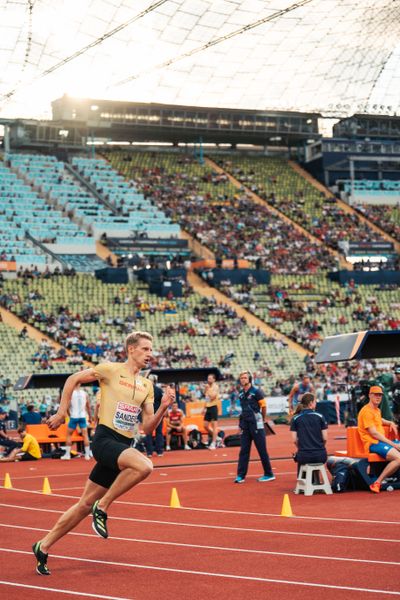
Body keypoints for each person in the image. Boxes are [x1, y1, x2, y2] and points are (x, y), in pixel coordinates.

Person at [31, 331, 175, 576]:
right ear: (131, 349)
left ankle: (42, 546)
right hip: (105, 440)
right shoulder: (110, 370)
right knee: (145, 466)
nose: (150, 354)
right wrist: (62, 411)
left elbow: (148, 427)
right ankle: (104, 506)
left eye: (152, 350)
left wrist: (163, 407)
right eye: (145, 349)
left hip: (123, 445)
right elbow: (73, 379)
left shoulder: (147, 385)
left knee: (84, 504)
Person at [357, 385, 400, 493]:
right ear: (370, 395)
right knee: (399, 458)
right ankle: (378, 482)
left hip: (380, 442)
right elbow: (374, 434)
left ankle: (391, 477)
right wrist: (393, 444)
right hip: (373, 443)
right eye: (376, 395)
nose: (378, 397)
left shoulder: (376, 410)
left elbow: (379, 420)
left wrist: (390, 422)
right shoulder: (366, 411)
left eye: (380, 395)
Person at [234, 371, 275, 483]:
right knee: (244, 450)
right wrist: (240, 425)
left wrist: (262, 418)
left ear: (249, 379)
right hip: (245, 425)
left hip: (257, 425)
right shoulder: (241, 394)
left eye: (245, 378)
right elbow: (243, 411)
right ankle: (240, 475)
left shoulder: (256, 392)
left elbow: (264, 406)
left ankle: (269, 473)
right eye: (241, 378)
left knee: (262, 450)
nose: (242, 379)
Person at [290, 393, 328, 473]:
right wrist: (319, 447)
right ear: (311, 403)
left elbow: (294, 440)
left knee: (301, 458)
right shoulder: (320, 416)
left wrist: (302, 448)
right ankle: (315, 478)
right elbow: (325, 438)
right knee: (315, 459)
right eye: (315, 402)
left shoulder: (295, 418)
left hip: (304, 456)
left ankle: (303, 479)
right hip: (321, 455)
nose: (316, 403)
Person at [61, 383, 92, 461]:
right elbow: (88, 406)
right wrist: (90, 417)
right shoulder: (85, 393)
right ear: (80, 384)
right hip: (82, 416)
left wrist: (69, 414)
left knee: (68, 435)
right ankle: (87, 455)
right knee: (85, 435)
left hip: (74, 416)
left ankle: (67, 455)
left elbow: (67, 406)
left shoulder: (71, 393)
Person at [144, 374, 164, 457]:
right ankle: (159, 451)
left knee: (149, 432)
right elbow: (163, 402)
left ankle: (149, 452)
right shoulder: (159, 390)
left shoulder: (145, 390)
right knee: (158, 432)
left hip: (149, 414)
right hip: (156, 414)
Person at [203, 373, 220, 449]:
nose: (208, 380)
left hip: (213, 407)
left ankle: (213, 443)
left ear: (214, 379)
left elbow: (212, 397)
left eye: (210, 378)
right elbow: (206, 397)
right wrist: (204, 407)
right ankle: (216, 437)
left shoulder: (215, 387)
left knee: (214, 425)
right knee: (205, 425)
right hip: (208, 407)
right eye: (208, 378)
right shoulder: (207, 387)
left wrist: (207, 389)